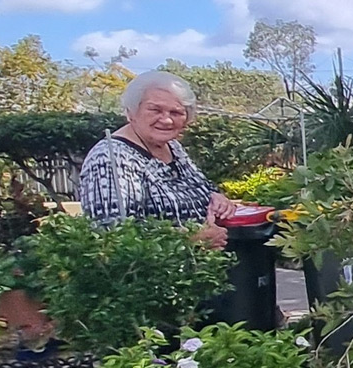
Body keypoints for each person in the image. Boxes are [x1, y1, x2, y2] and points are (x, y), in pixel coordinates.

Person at [78, 70, 236, 249]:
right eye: (155, 110)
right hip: (150, 275)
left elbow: (200, 185)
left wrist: (215, 197)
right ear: (131, 113)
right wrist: (190, 239)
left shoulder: (172, 147)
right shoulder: (111, 159)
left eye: (176, 112)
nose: (167, 120)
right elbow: (111, 236)